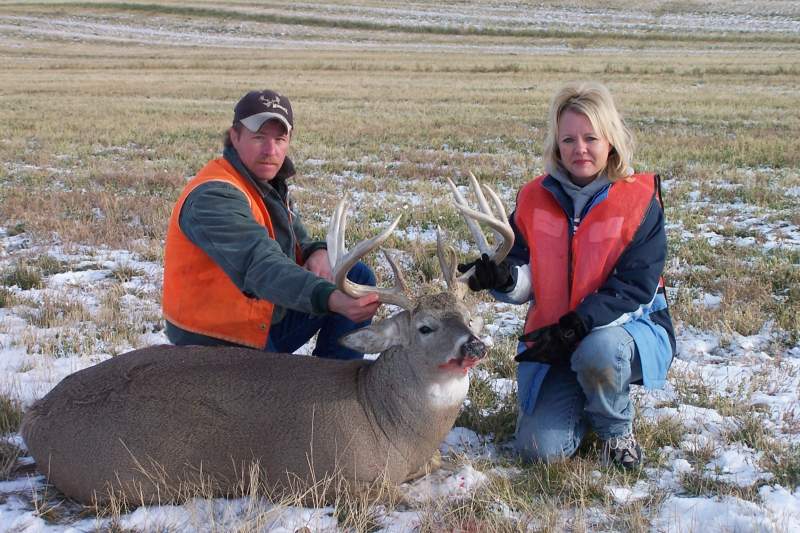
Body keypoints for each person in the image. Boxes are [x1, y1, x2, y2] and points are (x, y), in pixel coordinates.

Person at [459, 81, 675, 469]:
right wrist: (504, 278)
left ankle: (615, 432)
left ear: (611, 139)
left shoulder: (640, 203)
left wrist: (579, 326)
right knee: (539, 451)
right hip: (557, 341)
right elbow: (527, 275)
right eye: (569, 139)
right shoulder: (533, 198)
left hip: (625, 332)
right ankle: (590, 399)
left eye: (591, 137)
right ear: (556, 145)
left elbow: (634, 289)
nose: (580, 149)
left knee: (599, 351)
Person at [162, 89, 380, 359]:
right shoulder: (215, 195)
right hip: (216, 338)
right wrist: (331, 298)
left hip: (259, 316)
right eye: (259, 138)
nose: (270, 150)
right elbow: (260, 265)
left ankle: (335, 384)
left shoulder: (262, 184)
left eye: (280, 139)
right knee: (280, 398)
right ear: (235, 137)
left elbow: (299, 241)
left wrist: (318, 252)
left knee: (355, 277)